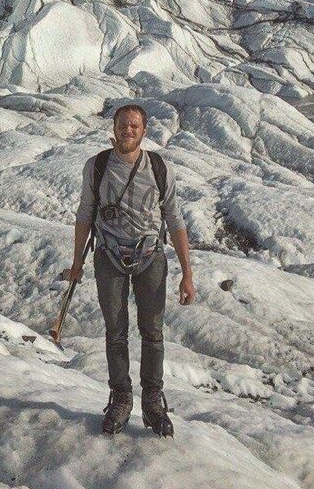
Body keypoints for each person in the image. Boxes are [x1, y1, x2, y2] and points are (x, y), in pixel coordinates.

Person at [70, 104, 195, 436]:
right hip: (108, 255)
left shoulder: (158, 167)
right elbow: (85, 212)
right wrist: (76, 263)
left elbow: (174, 218)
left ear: (144, 130)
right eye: (123, 124)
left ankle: (153, 401)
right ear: (114, 128)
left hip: (150, 256)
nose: (129, 129)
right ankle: (121, 398)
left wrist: (187, 272)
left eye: (135, 125)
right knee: (116, 332)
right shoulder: (96, 166)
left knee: (152, 333)